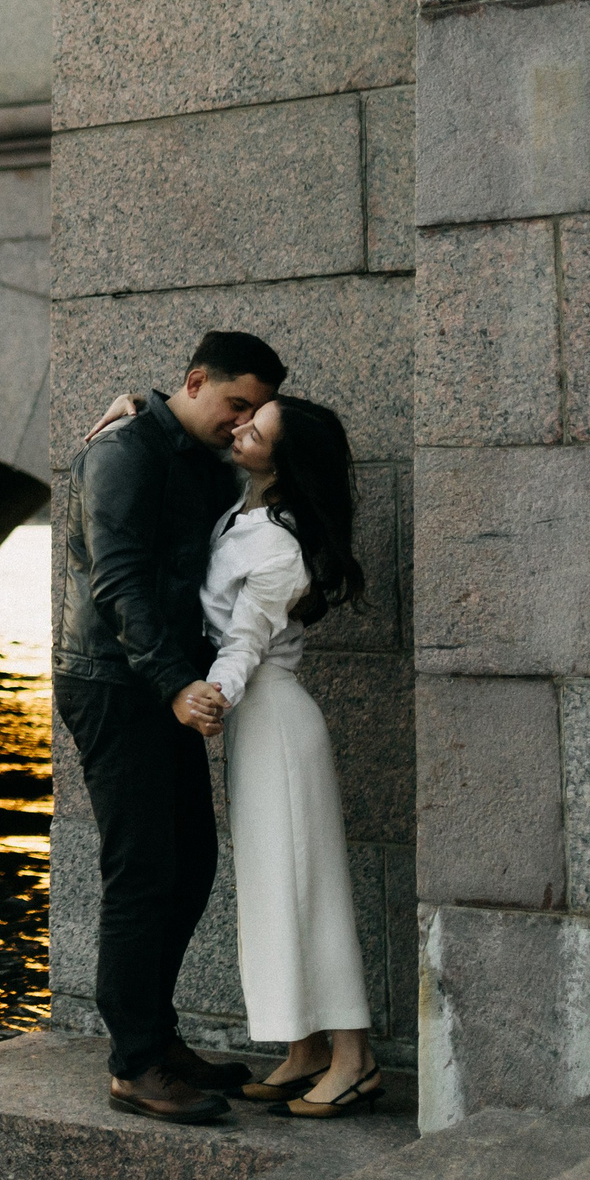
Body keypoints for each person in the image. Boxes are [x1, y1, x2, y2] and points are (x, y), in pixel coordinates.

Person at [57, 331, 285, 1123]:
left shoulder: (190, 449)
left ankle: (159, 1036)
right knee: (142, 871)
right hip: (116, 683)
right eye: (236, 405)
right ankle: (134, 1065)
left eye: (254, 412)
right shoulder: (125, 452)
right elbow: (118, 581)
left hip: (163, 684)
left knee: (190, 863)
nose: (242, 422)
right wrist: (176, 684)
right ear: (195, 381)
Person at [175, 394, 380, 1118]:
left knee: (308, 887)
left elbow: (246, 640)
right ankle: (305, 1047)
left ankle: (354, 1056)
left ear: (282, 459)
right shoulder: (246, 512)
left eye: (254, 429)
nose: (238, 429)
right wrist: (128, 410)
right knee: (273, 888)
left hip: (276, 721)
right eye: (243, 418)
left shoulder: (279, 546)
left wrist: (209, 697)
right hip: (259, 726)